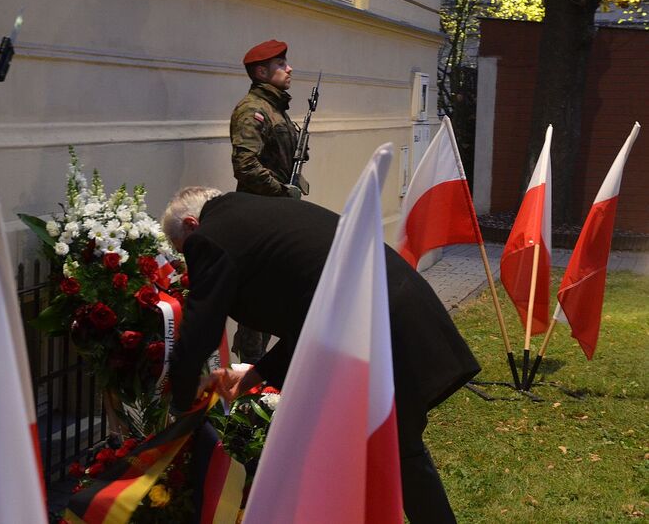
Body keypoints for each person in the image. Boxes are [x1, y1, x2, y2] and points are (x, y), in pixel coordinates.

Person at [162, 187, 480, 523]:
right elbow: (310, 315)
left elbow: (200, 330)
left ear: (192, 225)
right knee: (366, 449)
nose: (189, 261)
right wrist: (253, 375)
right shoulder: (251, 215)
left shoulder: (211, 237)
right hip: (384, 314)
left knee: (398, 451)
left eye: (184, 252)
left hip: (379, 324)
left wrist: (181, 408)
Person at [228, 39, 304, 363]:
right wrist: (282, 191)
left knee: (278, 294)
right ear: (262, 71)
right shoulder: (252, 110)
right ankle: (249, 374)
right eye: (281, 64)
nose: (289, 69)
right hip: (260, 217)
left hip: (278, 215)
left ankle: (267, 377)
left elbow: (279, 159)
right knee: (258, 301)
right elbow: (245, 166)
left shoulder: (277, 110)